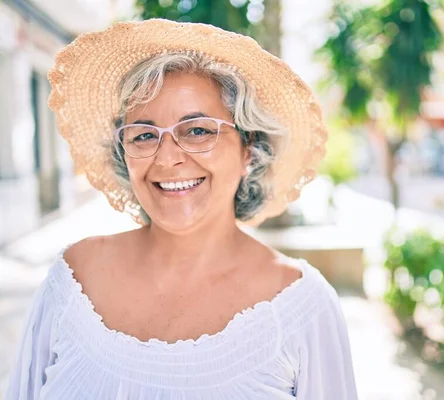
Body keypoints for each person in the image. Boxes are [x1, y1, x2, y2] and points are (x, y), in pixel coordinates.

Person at [6, 19, 357, 399]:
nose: (167, 158)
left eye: (198, 130)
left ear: (249, 149)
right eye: (143, 135)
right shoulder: (73, 280)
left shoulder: (301, 308)